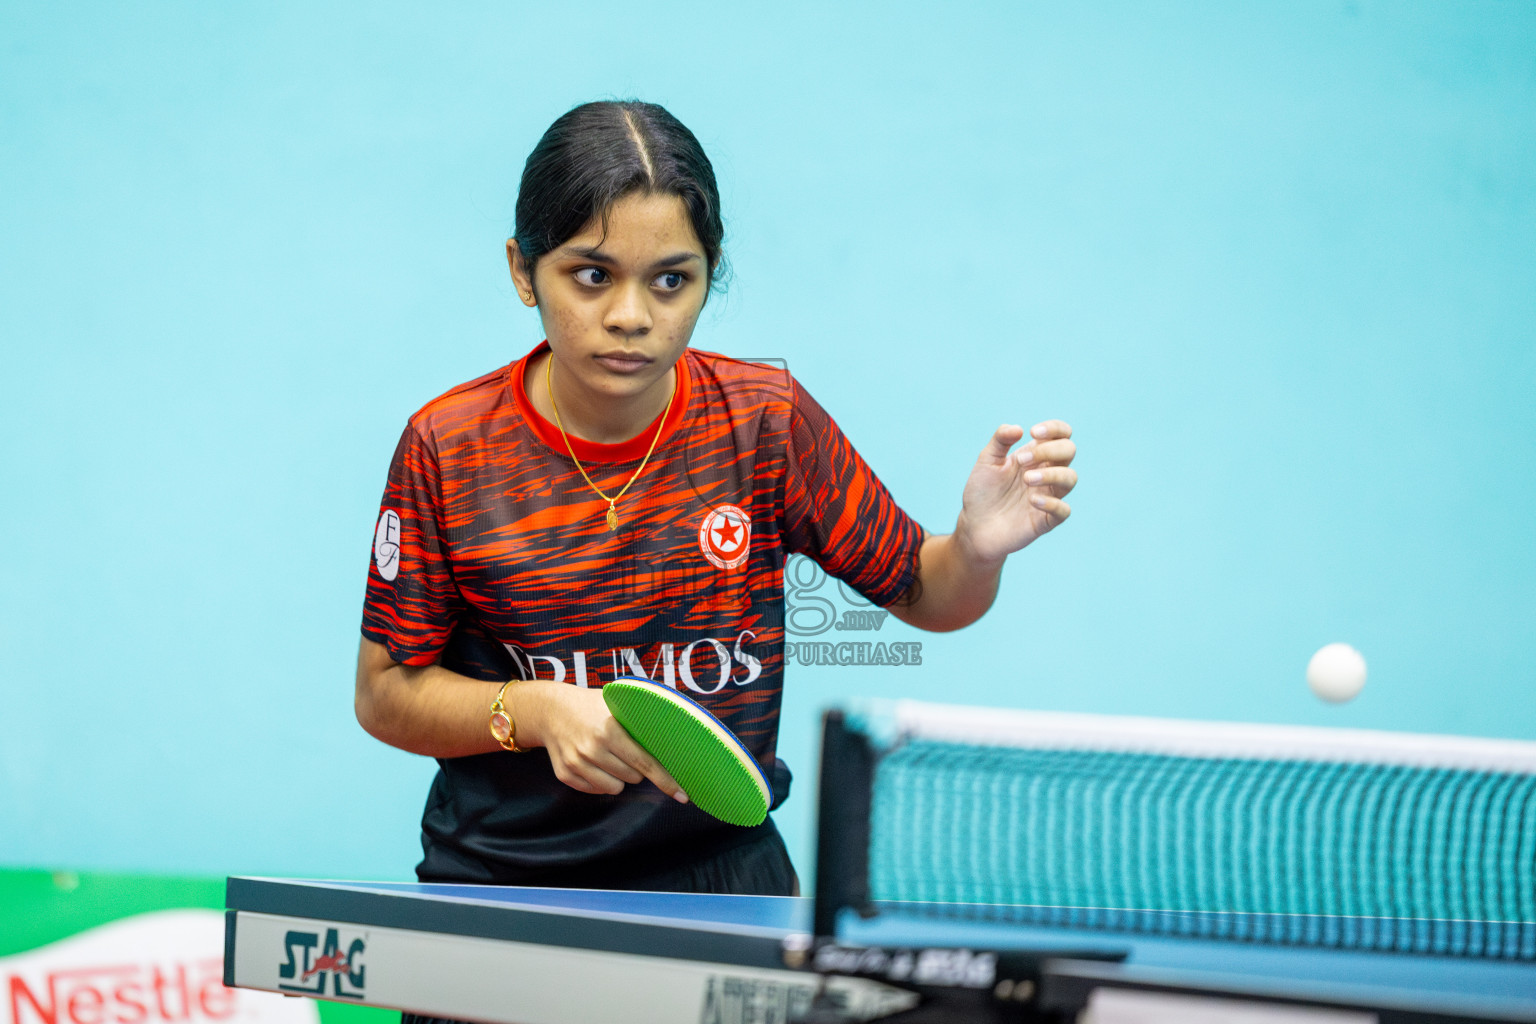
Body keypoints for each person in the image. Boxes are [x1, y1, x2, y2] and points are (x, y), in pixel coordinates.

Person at [355, 100, 1077, 900]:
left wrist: (975, 549)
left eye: (672, 280)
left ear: (710, 273)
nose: (632, 317)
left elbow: (929, 593)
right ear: (523, 270)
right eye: (591, 275)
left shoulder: (765, 421)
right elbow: (386, 693)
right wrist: (534, 710)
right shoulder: (450, 447)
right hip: (504, 882)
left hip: (721, 879)